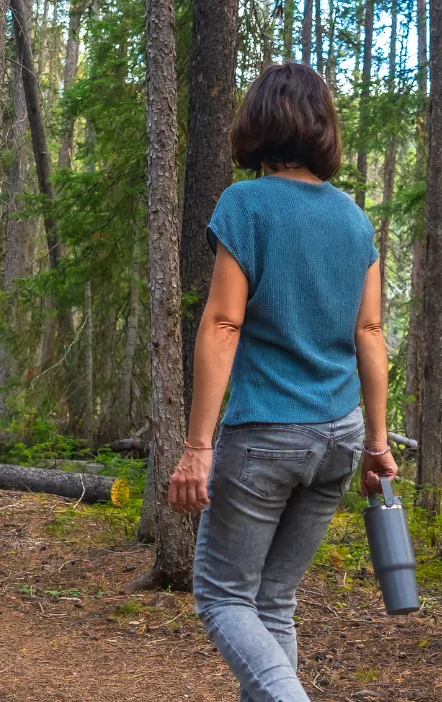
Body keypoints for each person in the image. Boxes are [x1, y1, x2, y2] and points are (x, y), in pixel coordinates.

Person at [168, 63, 399, 702]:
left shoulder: (246, 203)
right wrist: (378, 445)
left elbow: (221, 323)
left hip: (266, 433)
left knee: (221, 597)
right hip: (341, 436)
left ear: (258, 123)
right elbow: (371, 334)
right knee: (273, 601)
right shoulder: (354, 219)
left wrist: (197, 445)